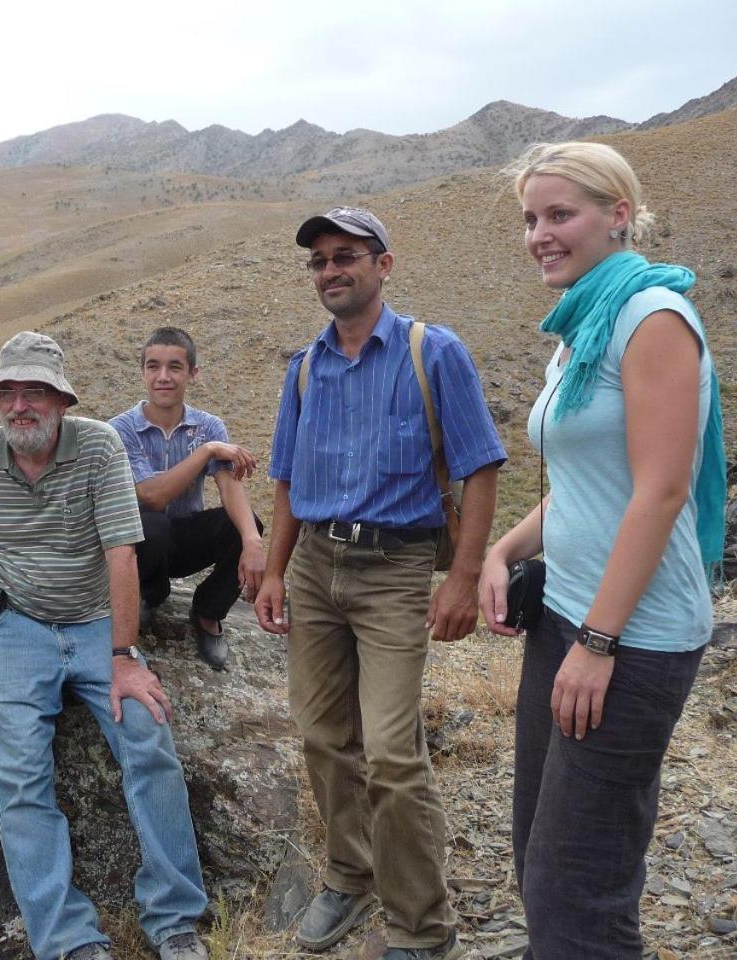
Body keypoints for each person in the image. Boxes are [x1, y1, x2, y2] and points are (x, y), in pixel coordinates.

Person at [480, 142, 725, 959]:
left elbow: (660, 492)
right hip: (566, 617)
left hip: (631, 636)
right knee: (538, 848)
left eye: (560, 214)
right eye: (530, 219)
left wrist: (599, 642)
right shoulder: (581, 324)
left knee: (575, 882)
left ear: (619, 214)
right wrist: (501, 550)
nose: (539, 235)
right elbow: (590, 484)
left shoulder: (651, 317)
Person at [0, 331, 209, 960]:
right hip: (10, 625)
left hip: (96, 620)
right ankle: (71, 942)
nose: (20, 406)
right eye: (7, 393)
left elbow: (121, 552)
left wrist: (124, 658)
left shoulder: (98, 447)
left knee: (149, 740)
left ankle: (175, 919)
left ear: (61, 400)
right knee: (18, 776)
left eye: (35, 392)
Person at [254, 207, 506, 960]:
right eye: (320, 261)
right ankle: (349, 874)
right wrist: (272, 571)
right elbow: (287, 482)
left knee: (393, 753)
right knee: (324, 737)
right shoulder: (305, 367)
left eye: (346, 257)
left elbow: (481, 467)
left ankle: (422, 926)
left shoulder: (435, 352)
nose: (331, 271)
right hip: (313, 565)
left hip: (396, 568)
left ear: (383, 265)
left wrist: (463, 578)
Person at [109, 327, 265, 670]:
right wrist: (206, 451)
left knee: (245, 525)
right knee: (151, 524)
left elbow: (229, 485)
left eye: (175, 367)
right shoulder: (119, 430)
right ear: (143, 372)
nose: (163, 377)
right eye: (153, 366)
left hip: (185, 537)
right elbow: (151, 496)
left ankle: (208, 614)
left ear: (193, 373)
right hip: (142, 544)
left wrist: (252, 540)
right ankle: (149, 593)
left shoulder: (209, 425)